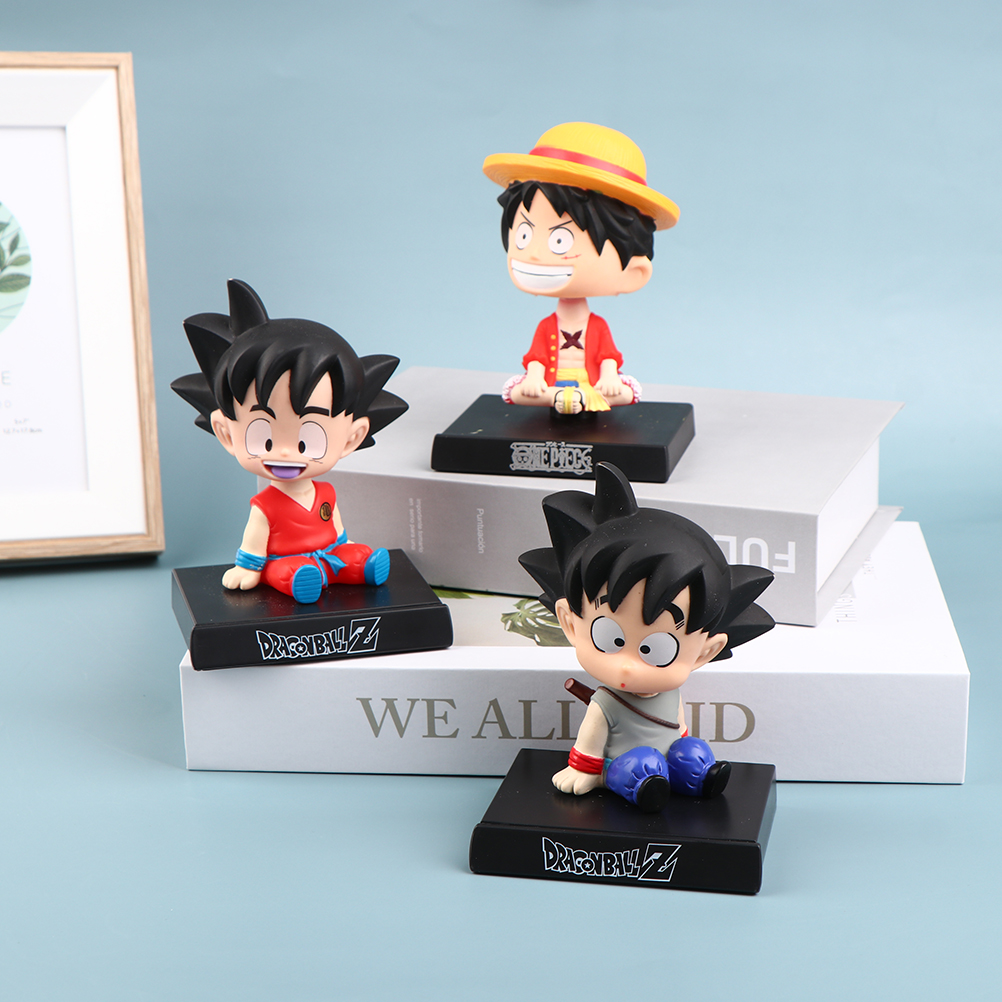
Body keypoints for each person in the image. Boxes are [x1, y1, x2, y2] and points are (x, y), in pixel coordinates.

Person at [519, 463, 775, 812]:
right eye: (609, 638)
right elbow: (591, 741)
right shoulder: (605, 703)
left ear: (704, 653)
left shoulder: (671, 693)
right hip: (621, 764)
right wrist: (583, 770)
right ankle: (645, 787)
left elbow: (678, 726)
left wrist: (684, 747)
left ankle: (700, 776)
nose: (628, 666)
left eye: (656, 650)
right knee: (639, 764)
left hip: (668, 755)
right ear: (570, 623)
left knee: (690, 751)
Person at [172, 279, 406, 603]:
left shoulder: (326, 493)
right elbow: (255, 541)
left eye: (308, 441)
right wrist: (248, 568)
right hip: (284, 561)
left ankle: (359, 567)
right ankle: (300, 579)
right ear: (226, 432)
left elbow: (335, 527)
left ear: (351, 439)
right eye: (264, 438)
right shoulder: (265, 506)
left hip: (329, 555)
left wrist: (345, 547)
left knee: (353, 556)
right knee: (287, 571)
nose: (284, 453)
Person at [483, 122, 679, 414]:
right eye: (523, 234)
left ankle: (573, 399)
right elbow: (536, 359)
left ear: (634, 274)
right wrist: (535, 378)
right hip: (553, 383)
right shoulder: (547, 326)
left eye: (559, 240)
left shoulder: (597, 326)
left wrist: (609, 377)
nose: (534, 254)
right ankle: (560, 399)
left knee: (625, 391)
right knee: (519, 391)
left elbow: (608, 358)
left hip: (590, 382)